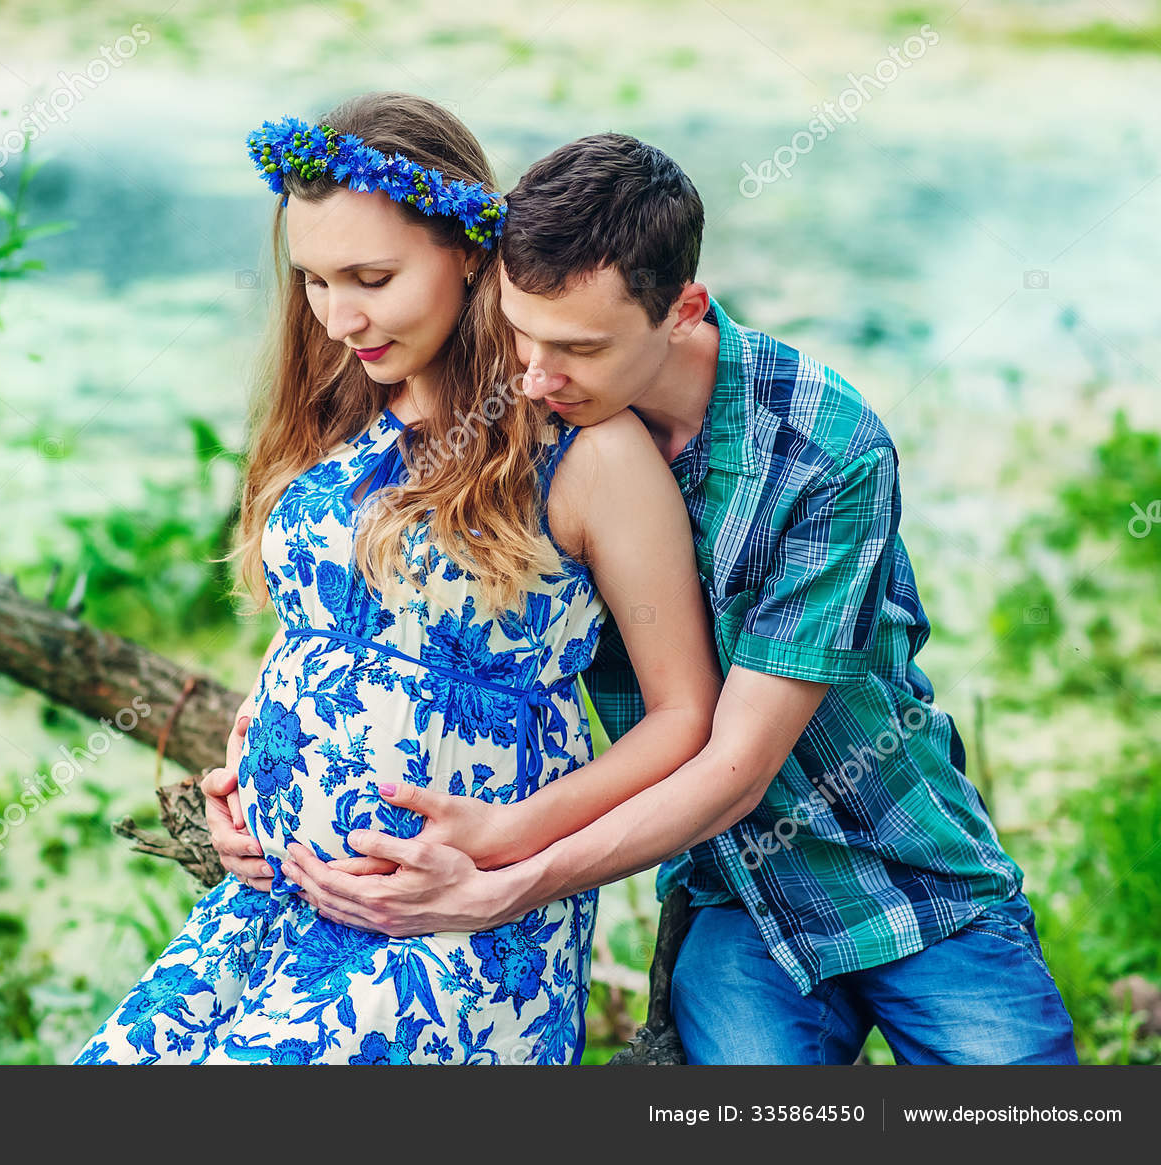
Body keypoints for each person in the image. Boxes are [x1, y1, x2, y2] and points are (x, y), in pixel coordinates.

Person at [226, 131, 1078, 1065]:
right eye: (521, 333)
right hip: (735, 892)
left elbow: (732, 760)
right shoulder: (529, 415)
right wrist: (265, 754)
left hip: (900, 869)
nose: (536, 376)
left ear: (683, 310)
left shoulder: (822, 449)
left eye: (578, 348)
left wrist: (512, 875)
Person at [72, 95, 720, 1065]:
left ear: (468, 250)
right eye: (315, 282)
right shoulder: (344, 406)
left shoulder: (587, 455)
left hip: (442, 934)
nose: (339, 318)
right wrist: (249, 768)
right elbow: (327, 627)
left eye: (371, 278)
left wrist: (507, 848)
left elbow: (683, 716)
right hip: (271, 902)